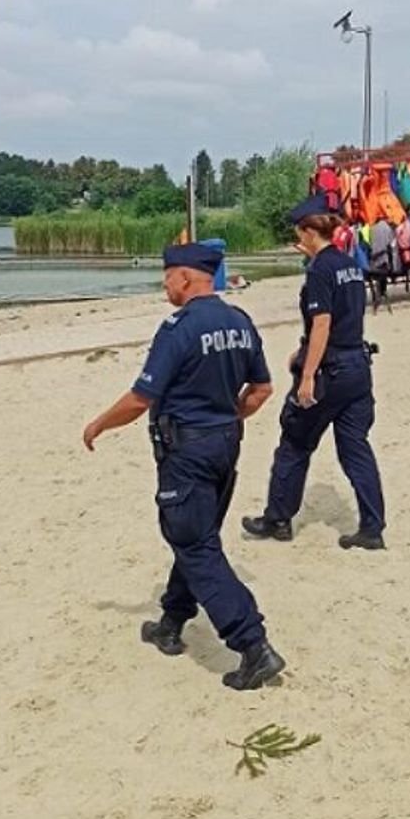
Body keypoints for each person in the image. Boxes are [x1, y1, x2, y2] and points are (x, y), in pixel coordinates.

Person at [82, 242, 285, 691]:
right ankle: (171, 622)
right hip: (225, 445)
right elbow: (262, 389)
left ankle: (253, 645)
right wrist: (226, 421)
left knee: (195, 545)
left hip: (187, 453)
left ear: (188, 278)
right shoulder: (240, 321)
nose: (164, 283)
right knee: (195, 537)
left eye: (168, 275)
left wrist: (98, 424)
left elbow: (141, 398)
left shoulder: (179, 327)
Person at [242, 194, 386, 550]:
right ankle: (372, 527)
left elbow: (323, 323)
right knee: (356, 449)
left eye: (299, 232)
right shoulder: (348, 264)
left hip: (330, 371)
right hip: (356, 366)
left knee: (294, 441)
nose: (298, 238)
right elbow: (342, 319)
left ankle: (277, 519)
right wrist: (305, 350)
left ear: (309, 231)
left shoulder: (320, 269)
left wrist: (307, 374)